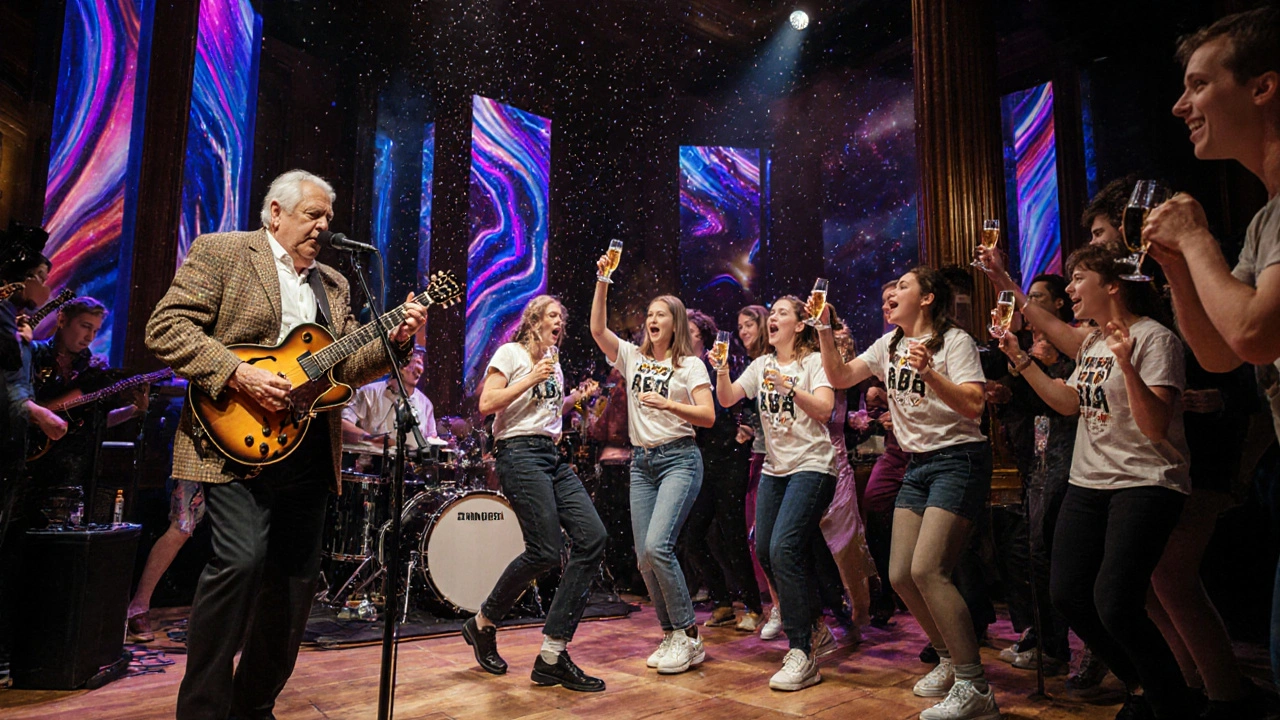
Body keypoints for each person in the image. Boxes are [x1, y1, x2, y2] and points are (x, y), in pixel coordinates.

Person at [145, 169, 425, 720]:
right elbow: (166, 327)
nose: (322, 226)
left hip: (309, 451)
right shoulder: (223, 253)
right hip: (231, 444)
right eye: (311, 214)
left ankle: (255, 706)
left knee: (295, 588)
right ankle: (202, 710)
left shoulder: (336, 285)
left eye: (328, 218)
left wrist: (394, 338)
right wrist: (239, 375)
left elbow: (342, 369)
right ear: (275, 212)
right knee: (241, 562)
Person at [1143, 8, 1280, 699]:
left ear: (1261, 87)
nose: (1180, 104)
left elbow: (1256, 334)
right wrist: (1174, 265)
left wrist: (1196, 238)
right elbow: (1223, 354)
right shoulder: (1263, 218)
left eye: (1198, 85)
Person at [998, 244, 1193, 720]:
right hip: (1090, 482)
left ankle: (1171, 701)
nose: (1068, 288)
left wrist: (1126, 364)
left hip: (1144, 481)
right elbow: (1068, 404)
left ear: (1112, 285)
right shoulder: (1091, 343)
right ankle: (1141, 685)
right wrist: (1022, 359)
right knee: (1067, 594)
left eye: (1078, 277)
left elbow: (1154, 427)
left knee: (1115, 602)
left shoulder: (1154, 339)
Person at [816, 267, 998, 720]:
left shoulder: (953, 342)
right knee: (899, 574)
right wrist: (822, 327)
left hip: (958, 458)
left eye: (902, 286)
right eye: (892, 288)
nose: (891, 293)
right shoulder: (889, 345)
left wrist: (930, 373)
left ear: (928, 298)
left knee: (929, 570)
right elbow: (838, 377)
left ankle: (975, 687)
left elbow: (975, 404)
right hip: (917, 464)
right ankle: (948, 658)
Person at [464, 294, 608, 692]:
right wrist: (532, 377)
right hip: (518, 453)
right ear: (533, 321)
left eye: (562, 316)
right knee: (544, 550)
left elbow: (543, 413)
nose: (559, 321)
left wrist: (573, 399)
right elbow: (487, 403)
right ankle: (483, 622)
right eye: (552, 315)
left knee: (593, 537)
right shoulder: (511, 353)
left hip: (550, 454)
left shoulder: (555, 365)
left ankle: (552, 653)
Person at [590, 262, 715, 676]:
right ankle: (671, 634)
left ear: (675, 322)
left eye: (660, 314)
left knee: (658, 546)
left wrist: (669, 404)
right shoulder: (633, 358)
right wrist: (603, 280)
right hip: (641, 463)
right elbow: (597, 329)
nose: (651, 319)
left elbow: (708, 416)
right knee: (644, 558)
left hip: (679, 457)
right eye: (649, 315)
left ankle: (690, 636)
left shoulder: (690, 366)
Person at [715, 296, 837, 692]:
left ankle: (802, 651)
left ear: (800, 325)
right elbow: (728, 398)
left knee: (784, 548)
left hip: (813, 466)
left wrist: (790, 389)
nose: (774, 318)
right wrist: (719, 371)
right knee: (765, 549)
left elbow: (825, 410)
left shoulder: (813, 362)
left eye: (783, 313)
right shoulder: (761, 365)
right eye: (774, 313)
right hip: (775, 469)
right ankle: (816, 626)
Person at [682, 309, 763, 631]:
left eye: (690, 332)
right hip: (700, 456)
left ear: (703, 336)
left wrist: (749, 427)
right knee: (694, 536)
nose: (684, 337)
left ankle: (753, 606)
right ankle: (722, 601)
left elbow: (744, 401)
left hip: (729, 455)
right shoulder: (681, 369)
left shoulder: (716, 364)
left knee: (731, 533)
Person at [341, 345, 439, 447]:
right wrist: (370, 439)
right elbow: (342, 425)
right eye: (415, 364)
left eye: (421, 366)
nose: (420, 369)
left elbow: (431, 438)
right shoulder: (369, 392)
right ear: (401, 366)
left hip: (409, 462)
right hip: (373, 460)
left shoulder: (426, 404)